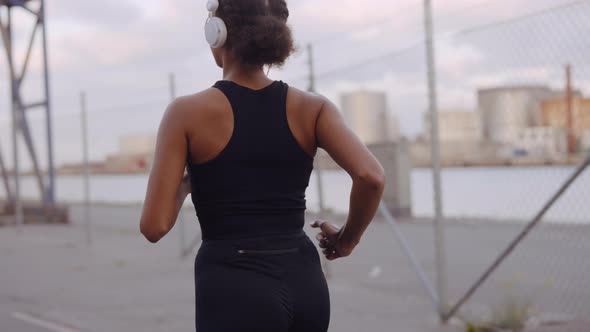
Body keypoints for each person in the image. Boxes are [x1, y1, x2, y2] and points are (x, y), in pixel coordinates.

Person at [139, 0, 385, 331]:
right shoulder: (313, 108)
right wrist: (346, 240)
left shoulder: (186, 113)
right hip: (305, 281)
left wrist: (185, 186)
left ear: (217, 33)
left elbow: (154, 227)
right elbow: (371, 177)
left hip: (233, 286)